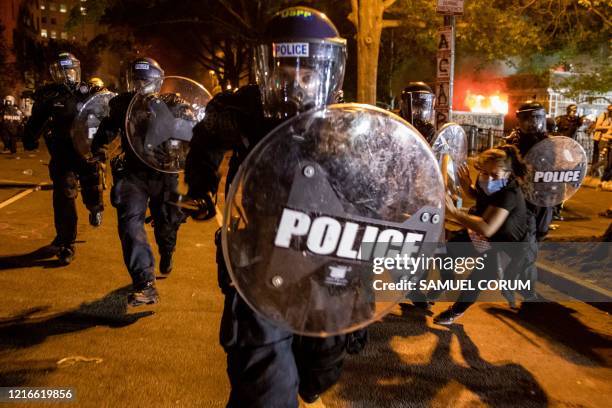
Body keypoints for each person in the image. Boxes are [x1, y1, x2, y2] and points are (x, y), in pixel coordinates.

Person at [185, 7, 356, 406]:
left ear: (327, 74)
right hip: (258, 263)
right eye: (285, 74)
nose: (296, 85)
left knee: (319, 373)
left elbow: (371, 186)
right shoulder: (243, 110)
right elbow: (205, 143)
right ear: (268, 71)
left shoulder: (348, 123)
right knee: (265, 388)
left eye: (308, 75)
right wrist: (201, 188)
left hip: (327, 265)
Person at [91, 57, 186, 306]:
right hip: (134, 174)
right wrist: (97, 146)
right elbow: (107, 129)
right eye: (138, 80)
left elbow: (186, 131)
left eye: (147, 80)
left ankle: (167, 251)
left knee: (167, 224)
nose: (142, 84)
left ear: (157, 81)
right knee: (129, 224)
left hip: (164, 173)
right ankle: (145, 282)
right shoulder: (122, 103)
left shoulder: (171, 102)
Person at [22, 52, 105, 264]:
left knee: (92, 188)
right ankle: (66, 243)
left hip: (86, 150)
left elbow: (107, 112)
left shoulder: (90, 91)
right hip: (62, 152)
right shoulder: (50, 96)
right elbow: (36, 121)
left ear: (77, 70)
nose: (67, 75)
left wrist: (104, 141)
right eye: (62, 72)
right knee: (64, 197)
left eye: (70, 70)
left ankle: (95, 207)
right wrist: (29, 138)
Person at [433, 145, 529, 324]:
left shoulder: (510, 193)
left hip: (504, 246)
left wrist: (455, 213)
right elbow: (483, 197)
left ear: (507, 174)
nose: (488, 179)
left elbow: (487, 228)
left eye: (494, 175)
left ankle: (455, 311)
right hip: (486, 238)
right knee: (445, 251)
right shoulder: (486, 183)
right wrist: (468, 188)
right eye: (484, 173)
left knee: (478, 278)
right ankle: (447, 282)